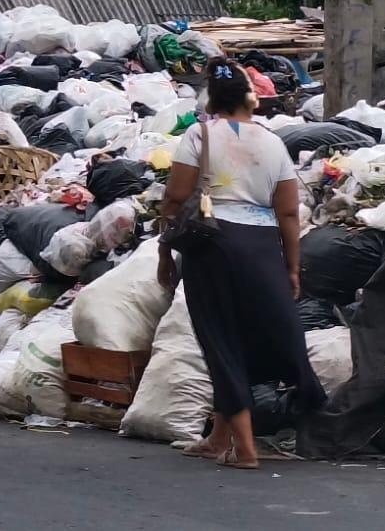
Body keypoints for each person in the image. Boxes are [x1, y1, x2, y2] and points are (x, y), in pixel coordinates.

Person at [156, 57, 324, 470]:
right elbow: (288, 212)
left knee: (221, 341)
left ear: (211, 98)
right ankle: (218, 439)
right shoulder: (272, 142)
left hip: (213, 245)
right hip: (262, 246)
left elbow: (177, 197)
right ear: (249, 99)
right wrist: (290, 267)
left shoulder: (199, 135)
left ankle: (246, 451)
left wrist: (164, 249)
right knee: (251, 339)